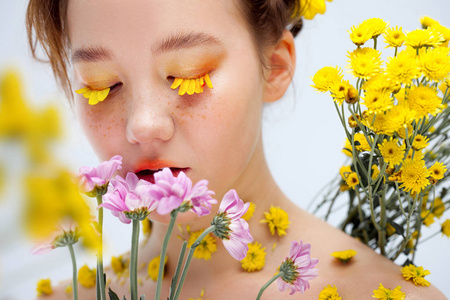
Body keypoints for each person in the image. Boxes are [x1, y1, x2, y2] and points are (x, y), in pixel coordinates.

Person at [26, 0, 446, 299]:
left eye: (188, 74)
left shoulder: (382, 293)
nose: (143, 125)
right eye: (101, 85)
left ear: (275, 67)